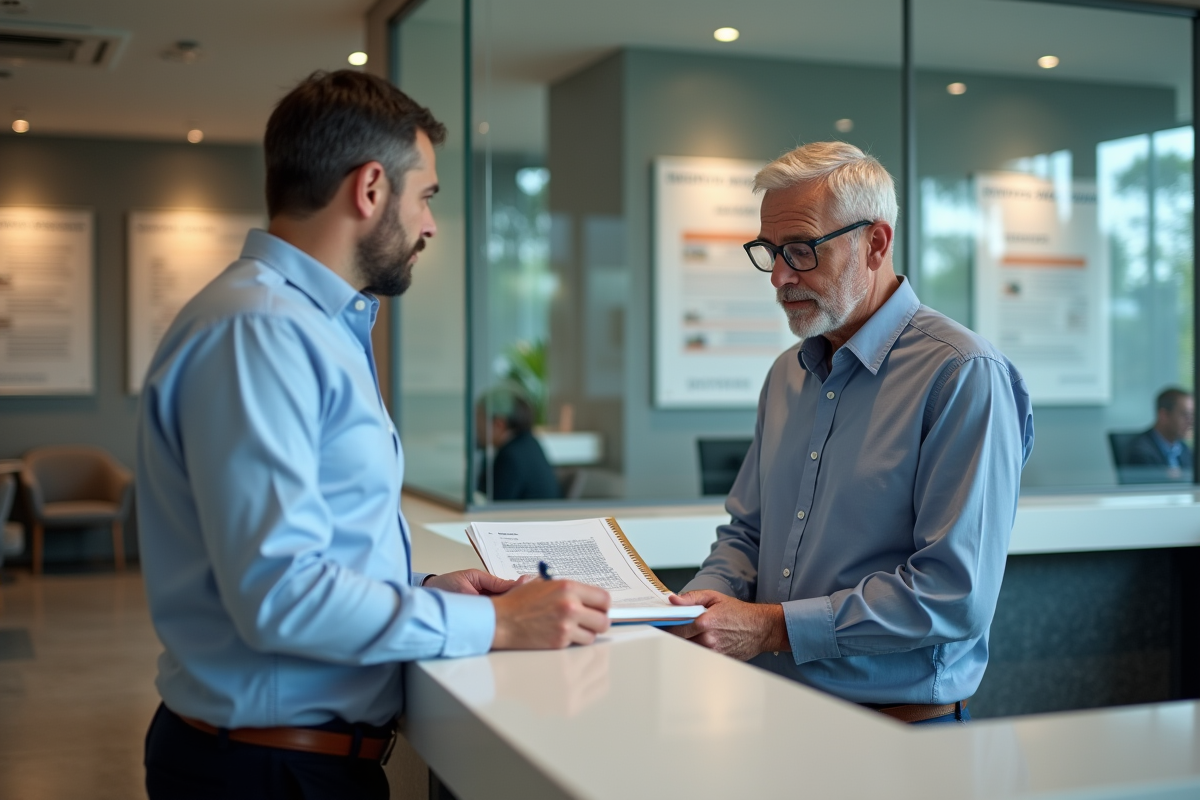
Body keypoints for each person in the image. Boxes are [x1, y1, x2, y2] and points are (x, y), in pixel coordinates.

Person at [136, 70, 611, 800]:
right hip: (268, 773)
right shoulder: (264, 331)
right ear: (369, 190)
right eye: (425, 196)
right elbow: (280, 596)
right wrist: (495, 626)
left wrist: (420, 588)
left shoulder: (308, 326)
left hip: (292, 761)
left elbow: (305, 549)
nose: (428, 225)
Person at [668, 141, 1034, 725]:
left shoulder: (962, 374)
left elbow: (953, 594)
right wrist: (700, 603)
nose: (780, 277)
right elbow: (748, 532)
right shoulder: (787, 374)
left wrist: (769, 628)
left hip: (902, 736)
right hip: (772, 718)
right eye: (770, 251)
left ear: (876, 243)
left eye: (801, 250)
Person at [476, 388, 561, 501]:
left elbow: (495, 506)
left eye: (480, 422)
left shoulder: (510, 457)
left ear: (499, 424)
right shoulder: (529, 443)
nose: (477, 429)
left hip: (528, 518)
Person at [1123, 387, 1194, 479]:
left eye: (1193, 415)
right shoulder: (1140, 451)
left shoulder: (1185, 450)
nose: (1191, 422)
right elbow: (1152, 486)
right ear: (1163, 415)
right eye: (1185, 415)